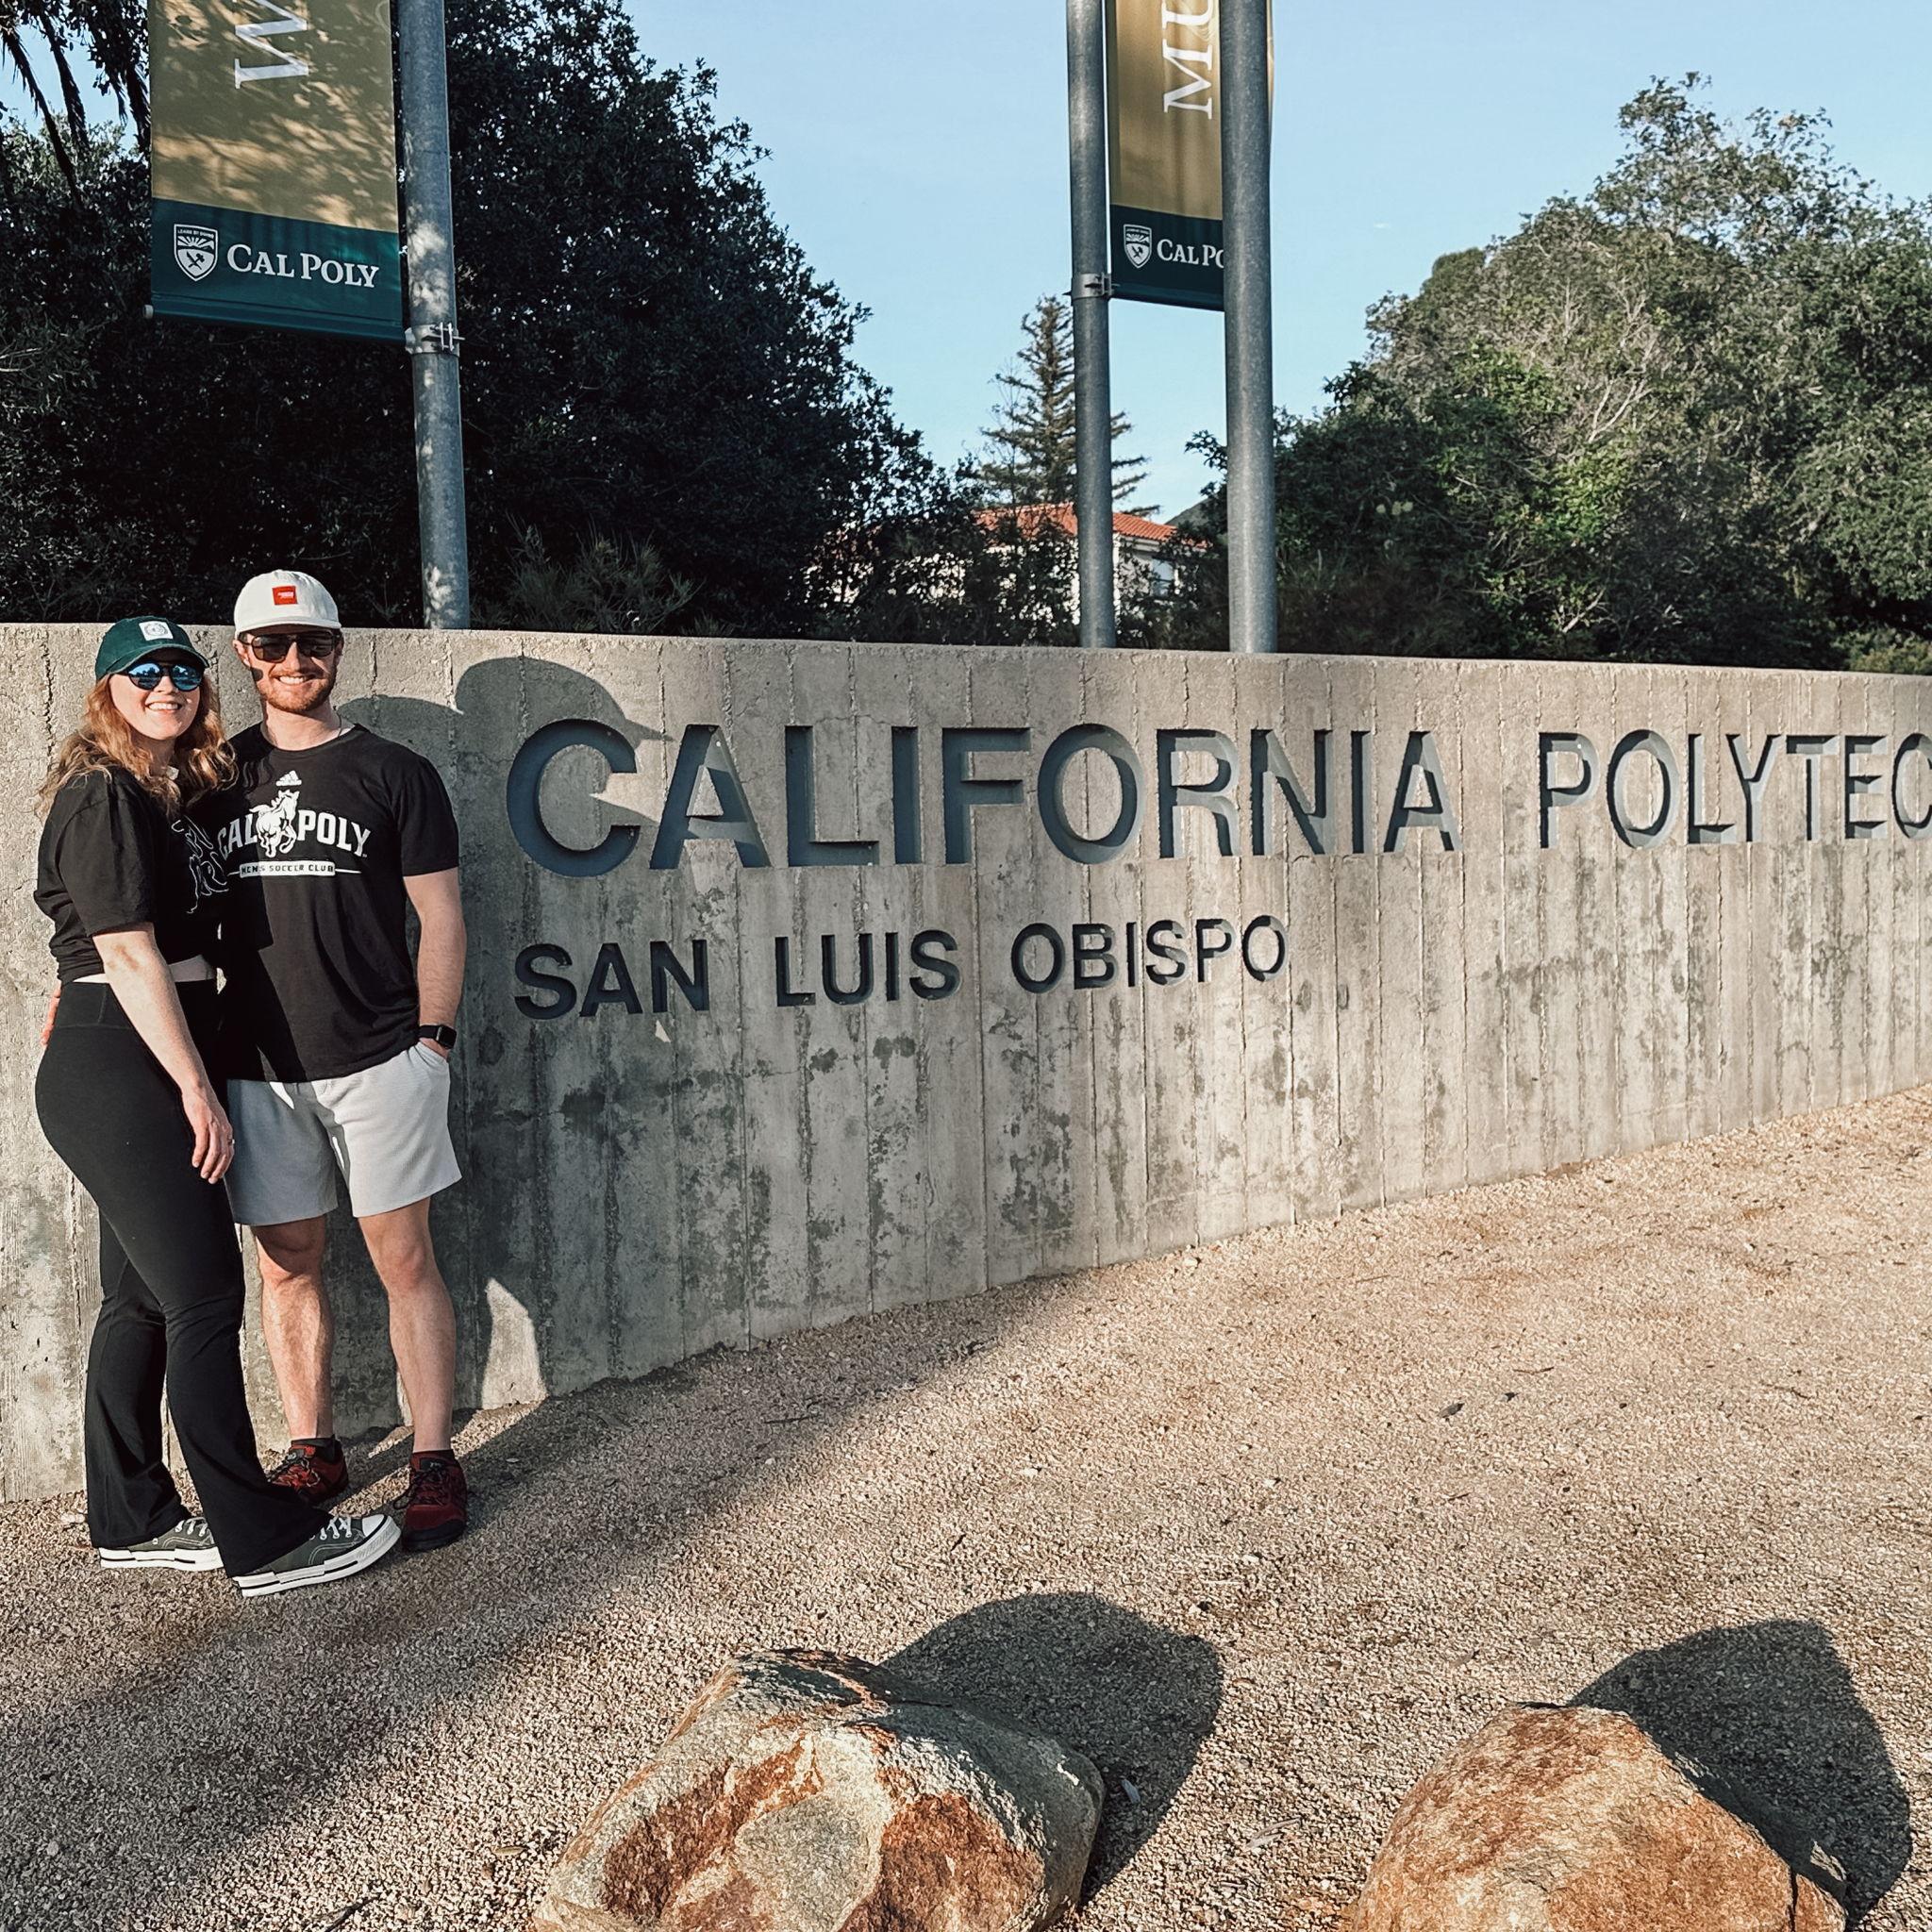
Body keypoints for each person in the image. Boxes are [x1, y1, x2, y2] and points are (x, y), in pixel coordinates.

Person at [34, 617, 400, 1597]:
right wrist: (196, 1087)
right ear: (107, 689)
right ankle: (266, 1540)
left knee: (140, 1299)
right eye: (143, 671)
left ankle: (132, 1517)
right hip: (129, 1065)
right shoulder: (103, 793)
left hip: (140, 1051)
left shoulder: (168, 794)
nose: (168, 685)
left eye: (182, 670)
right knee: (203, 1298)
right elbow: (125, 952)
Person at [202, 570, 471, 1549]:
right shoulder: (213, 779)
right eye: (272, 645)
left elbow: (441, 915)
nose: (294, 660)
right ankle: (314, 1448)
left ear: (337, 650)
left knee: (406, 1260)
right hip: (257, 1066)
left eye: (312, 642)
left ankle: (433, 1455)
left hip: (380, 1056)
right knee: (286, 1264)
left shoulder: (395, 772)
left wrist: (433, 1042)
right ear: (244, 655)